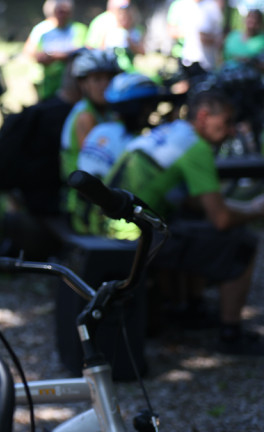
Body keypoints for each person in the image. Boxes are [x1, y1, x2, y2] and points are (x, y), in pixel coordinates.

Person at [101, 88, 264, 355]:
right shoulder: (196, 148)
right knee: (241, 241)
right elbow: (221, 219)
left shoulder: (171, 132)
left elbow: (192, 201)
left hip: (107, 224)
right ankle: (230, 332)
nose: (232, 131)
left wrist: (239, 206)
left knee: (190, 222)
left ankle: (189, 307)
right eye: (226, 123)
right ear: (203, 116)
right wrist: (256, 211)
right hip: (132, 236)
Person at [70, 72, 165, 232]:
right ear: (138, 107)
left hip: (79, 218)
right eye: (149, 106)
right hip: (110, 225)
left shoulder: (100, 130)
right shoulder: (135, 143)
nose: (151, 111)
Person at [60, 49, 121, 229]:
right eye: (97, 79)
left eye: (109, 78)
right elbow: (98, 165)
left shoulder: (107, 112)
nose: (105, 84)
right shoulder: (85, 116)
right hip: (84, 208)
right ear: (83, 84)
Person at [22, 0, 87, 102]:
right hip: (44, 81)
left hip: (70, 81)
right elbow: (28, 50)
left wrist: (55, 56)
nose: (62, 15)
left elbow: (81, 50)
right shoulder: (41, 29)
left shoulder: (79, 29)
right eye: (59, 11)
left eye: (66, 12)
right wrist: (40, 57)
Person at [178, 0, 222, 72]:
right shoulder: (203, 6)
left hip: (201, 63)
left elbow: (203, 36)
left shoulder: (208, 7)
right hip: (195, 60)